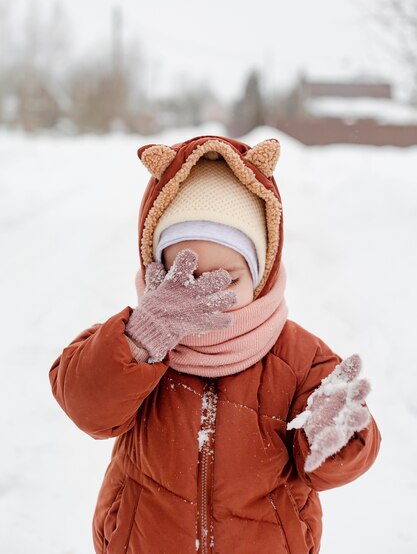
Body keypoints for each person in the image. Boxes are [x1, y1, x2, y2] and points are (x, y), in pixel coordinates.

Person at [49, 134, 381, 554]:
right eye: (185, 276)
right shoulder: (133, 343)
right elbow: (86, 404)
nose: (205, 294)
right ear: (155, 269)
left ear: (260, 275)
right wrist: (140, 340)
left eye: (227, 279)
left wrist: (336, 433)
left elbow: (330, 469)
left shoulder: (301, 359)